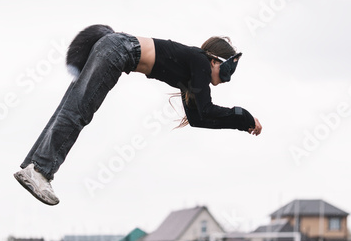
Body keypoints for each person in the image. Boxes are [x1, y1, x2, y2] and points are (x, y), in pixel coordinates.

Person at [14, 24, 262, 206]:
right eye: (227, 70)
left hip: (115, 48)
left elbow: (200, 118)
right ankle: (41, 172)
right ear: (215, 60)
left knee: (71, 108)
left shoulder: (192, 73)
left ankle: (33, 168)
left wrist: (241, 122)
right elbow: (207, 109)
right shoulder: (199, 60)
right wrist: (243, 118)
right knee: (78, 112)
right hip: (118, 50)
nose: (227, 79)